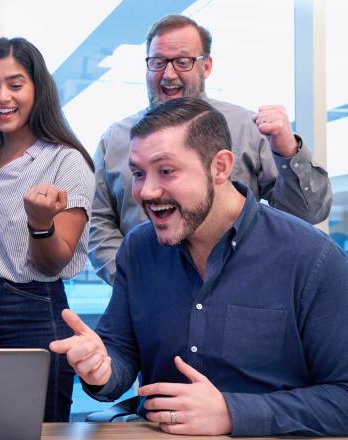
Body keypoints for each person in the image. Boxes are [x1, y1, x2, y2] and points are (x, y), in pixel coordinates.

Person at [50, 97, 348, 436]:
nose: (145, 191)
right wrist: (101, 368)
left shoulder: (311, 258)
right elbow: (120, 353)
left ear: (220, 168)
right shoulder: (139, 249)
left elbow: (343, 397)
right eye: (137, 173)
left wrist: (233, 413)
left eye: (166, 171)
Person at [89, 14, 332, 285]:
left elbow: (307, 215)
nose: (168, 74)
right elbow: (98, 224)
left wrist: (288, 152)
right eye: (157, 62)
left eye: (183, 62)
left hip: (239, 292)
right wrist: (132, 280)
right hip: (147, 300)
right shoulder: (115, 139)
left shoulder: (248, 129)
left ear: (206, 66)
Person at [0, 37, 95, 422]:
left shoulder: (66, 162)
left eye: (15, 84)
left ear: (38, 89)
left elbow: (54, 262)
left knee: (34, 429)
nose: (2, 96)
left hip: (31, 311)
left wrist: (39, 224)